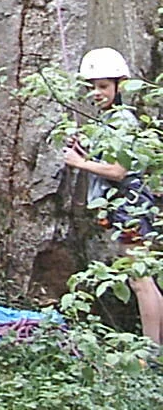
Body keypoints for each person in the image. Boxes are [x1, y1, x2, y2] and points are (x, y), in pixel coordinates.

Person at [61, 47, 163, 345]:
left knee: (140, 280)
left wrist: (79, 162)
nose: (97, 93)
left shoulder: (123, 122)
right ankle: (156, 346)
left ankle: (151, 351)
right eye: (91, 87)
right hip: (126, 208)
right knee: (142, 277)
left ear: (120, 85)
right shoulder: (109, 121)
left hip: (130, 207)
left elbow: (118, 170)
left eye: (104, 86)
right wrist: (83, 150)